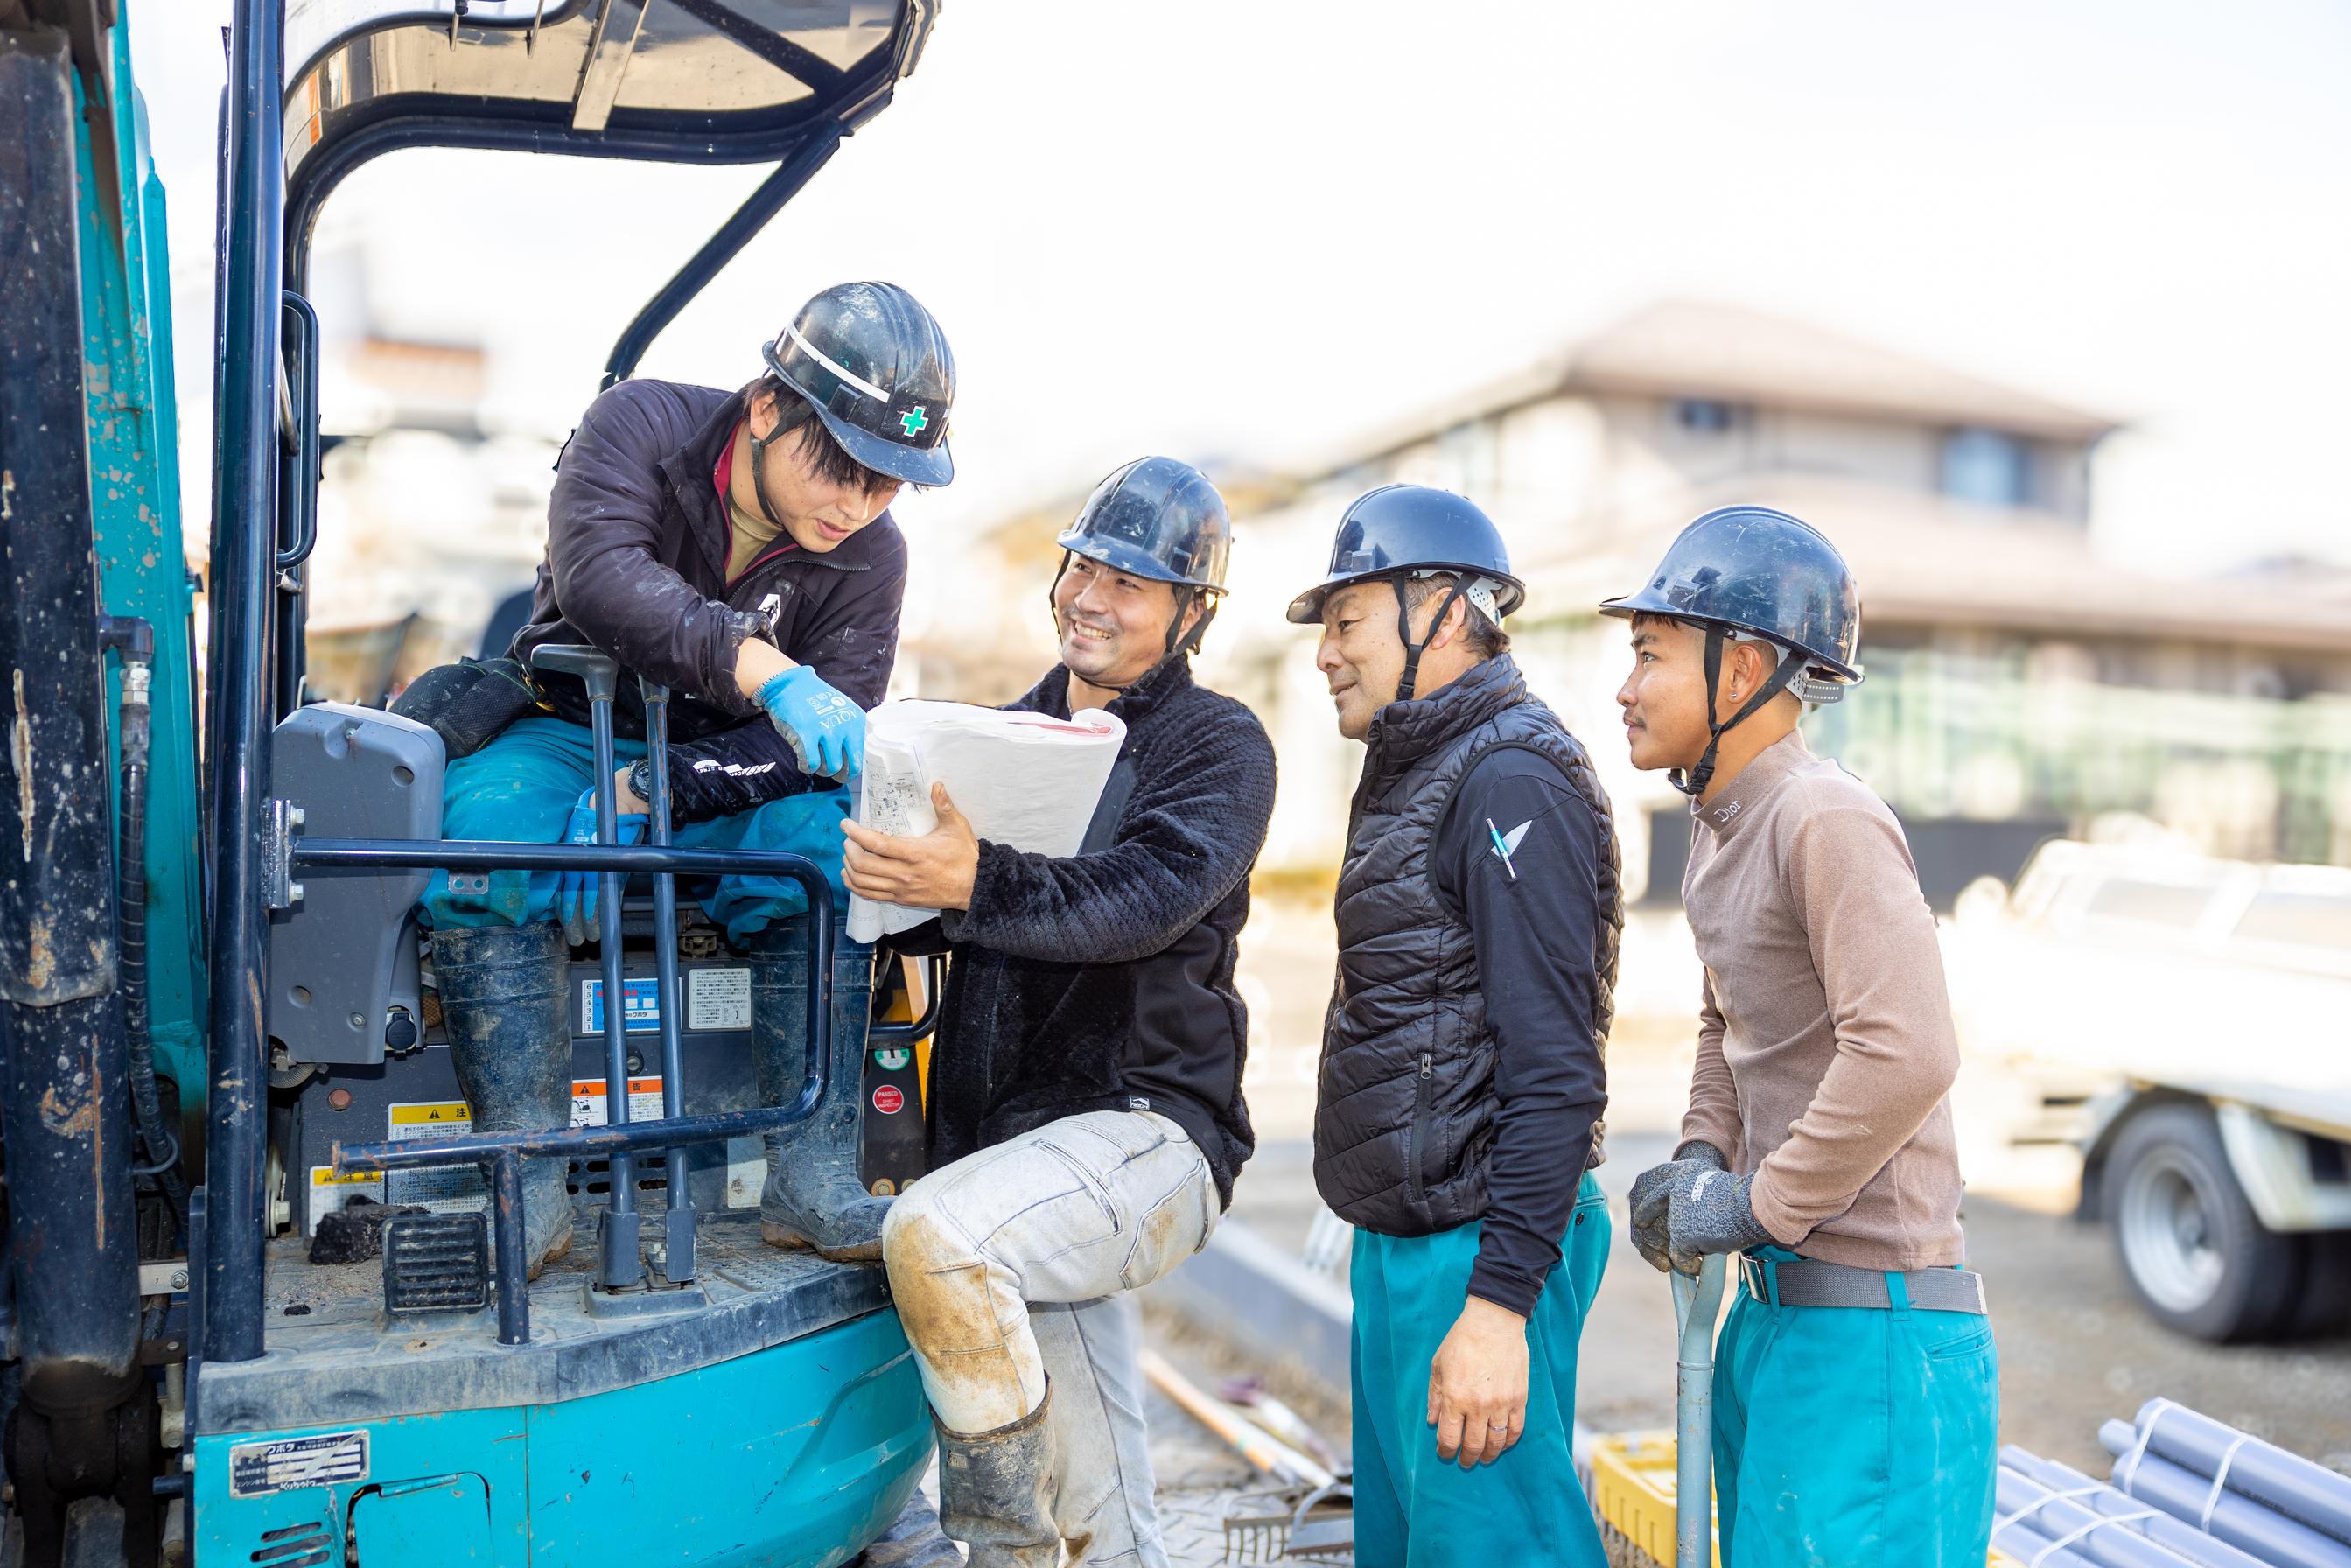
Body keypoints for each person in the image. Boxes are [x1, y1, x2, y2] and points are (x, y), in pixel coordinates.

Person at [400, 280, 955, 1277]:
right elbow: (602, 581)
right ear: (766, 407)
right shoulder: (639, 426)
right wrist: (771, 671)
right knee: (481, 832)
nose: (856, 504)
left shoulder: (872, 556)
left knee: (831, 848)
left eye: (884, 485)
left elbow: (812, 746)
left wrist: (659, 792)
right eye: (839, 465)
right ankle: (526, 1183)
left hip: (724, 766)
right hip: (573, 723)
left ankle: (807, 1174)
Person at [841, 458, 1276, 1568]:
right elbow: (940, 929)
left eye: (1130, 581)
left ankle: (998, 1546)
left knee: (936, 1239)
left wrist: (973, 881)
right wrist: (896, 885)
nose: (1090, 591)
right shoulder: (992, 741)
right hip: (1016, 1154)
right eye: (1082, 563)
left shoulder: (1215, 746)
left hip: (1145, 1130)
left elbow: (1141, 900)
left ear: (1190, 613)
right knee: (1104, 1520)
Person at [1606, 506, 1998, 1568]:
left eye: (1650, 654)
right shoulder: (1719, 822)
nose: (1623, 686)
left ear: (1741, 671)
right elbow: (1723, 1019)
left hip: (1874, 1339)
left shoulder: (1820, 818)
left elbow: (1907, 1051)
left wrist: (1749, 1203)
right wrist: (1698, 1153)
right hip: (1775, 1320)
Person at [1291, 485, 1621, 1568]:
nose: (1325, 653)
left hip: (1477, 1254)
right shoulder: (1423, 768)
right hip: (1407, 1247)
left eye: (1345, 621)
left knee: (1494, 1550)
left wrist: (1495, 1308)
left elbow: (1557, 1074)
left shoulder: (1508, 775)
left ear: (1435, 606)